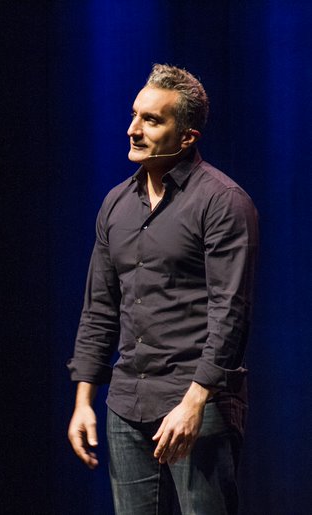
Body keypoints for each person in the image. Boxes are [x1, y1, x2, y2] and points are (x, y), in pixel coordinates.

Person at [67, 64, 258, 515]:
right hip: (127, 401)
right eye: (135, 115)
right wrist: (84, 399)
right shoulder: (115, 203)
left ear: (187, 136)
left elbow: (230, 312)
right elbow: (99, 308)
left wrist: (194, 402)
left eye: (152, 120)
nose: (133, 129)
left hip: (198, 399)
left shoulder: (222, 202)